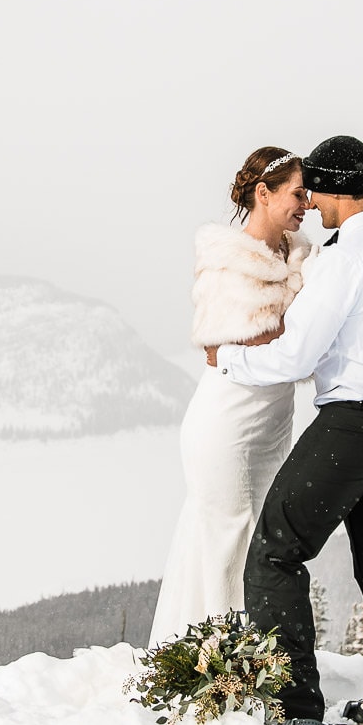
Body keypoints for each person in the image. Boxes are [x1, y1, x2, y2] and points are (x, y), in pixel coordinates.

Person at [207, 135, 363, 725]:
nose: (311, 204)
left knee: (274, 552)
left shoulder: (344, 261)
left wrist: (228, 359)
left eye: (315, 191)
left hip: (350, 425)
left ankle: (295, 706)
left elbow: (293, 356)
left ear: (335, 188)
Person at [147, 147, 315, 646]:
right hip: (227, 425)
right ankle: (221, 667)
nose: (305, 203)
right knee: (228, 539)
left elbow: (284, 339)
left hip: (270, 426)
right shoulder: (227, 263)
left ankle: (256, 658)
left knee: (261, 543)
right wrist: (302, 327)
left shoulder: (298, 256)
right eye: (296, 193)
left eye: (307, 194)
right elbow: (221, 346)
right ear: (263, 194)